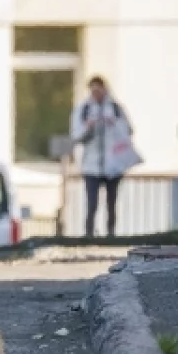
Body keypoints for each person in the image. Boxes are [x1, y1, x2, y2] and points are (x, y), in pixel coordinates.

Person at [70, 76, 133, 238]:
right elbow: (76, 135)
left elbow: (128, 130)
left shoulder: (115, 108)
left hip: (113, 164)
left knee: (112, 203)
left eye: (99, 89)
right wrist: (88, 127)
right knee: (92, 203)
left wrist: (113, 123)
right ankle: (89, 234)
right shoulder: (84, 109)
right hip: (91, 165)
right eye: (93, 90)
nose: (97, 93)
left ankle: (111, 233)